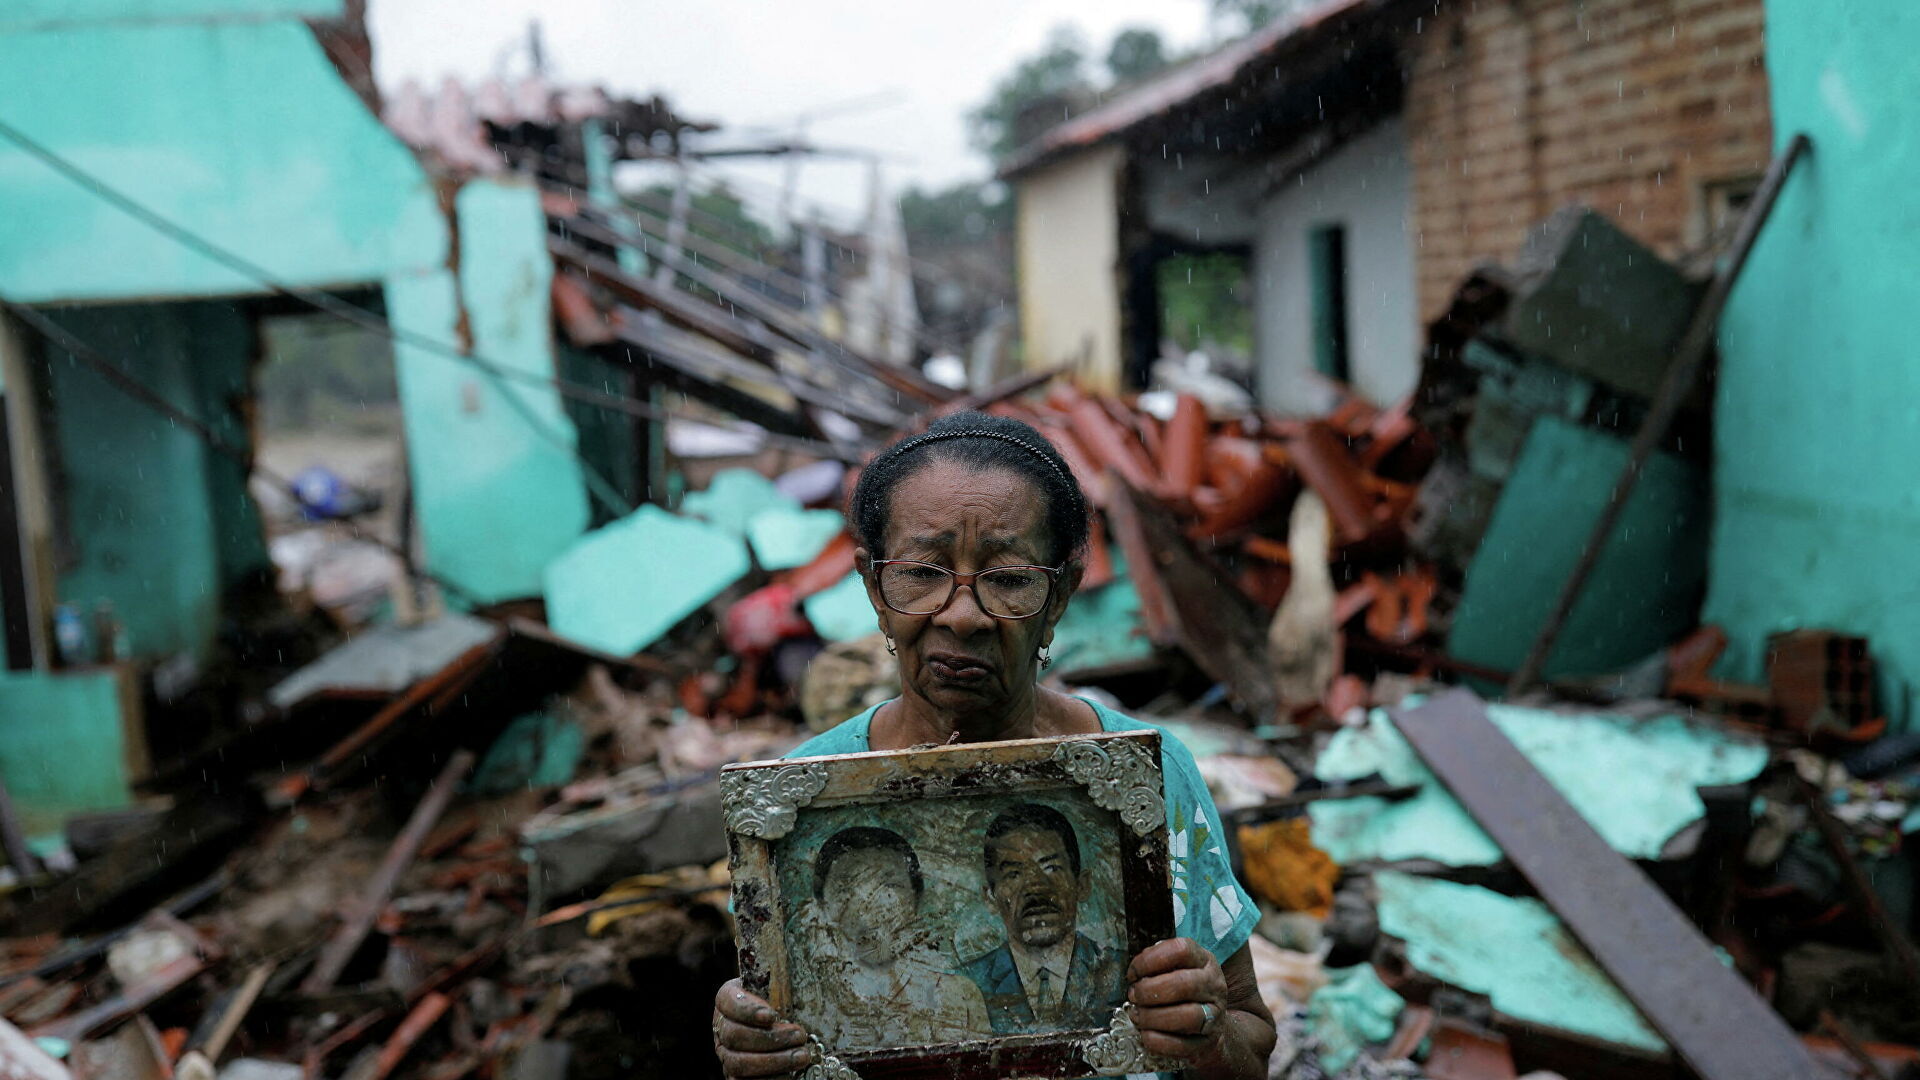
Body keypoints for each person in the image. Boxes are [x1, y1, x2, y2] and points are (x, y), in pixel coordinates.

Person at [712, 411, 1276, 1080]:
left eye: (1007, 579)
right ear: (874, 587)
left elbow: (1250, 1039)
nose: (962, 613)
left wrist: (1204, 1031)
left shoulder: (1150, 776)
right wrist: (754, 1043)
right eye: (922, 572)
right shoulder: (802, 801)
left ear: (1060, 594)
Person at [800, 826, 988, 1046]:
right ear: (822, 904)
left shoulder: (959, 995)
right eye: (848, 887)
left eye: (890, 885)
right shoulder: (809, 1003)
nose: (868, 903)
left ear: (916, 898)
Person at [962, 803, 1123, 1034]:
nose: (1036, 887)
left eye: (1052, 868)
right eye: (1014, 874)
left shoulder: (1123, 973)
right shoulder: (965, 984)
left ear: (1082, 884)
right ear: (990, 897)